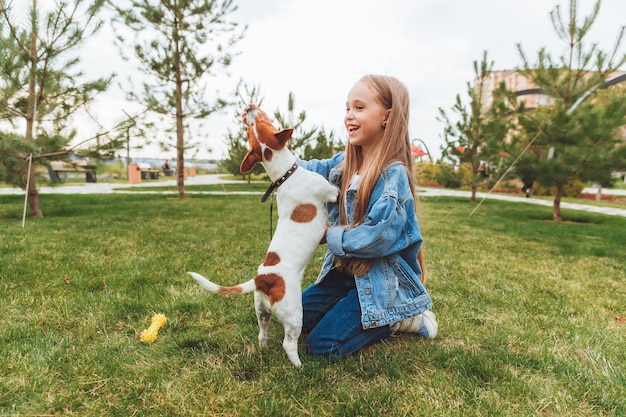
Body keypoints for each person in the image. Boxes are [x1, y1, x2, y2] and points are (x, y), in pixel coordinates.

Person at [298, 74, 438, 359]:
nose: (349, 115)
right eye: (347, 108)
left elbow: (377, 236)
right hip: (346, 275)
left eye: (359, 108)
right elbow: (305, 171)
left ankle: (399, 318)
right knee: (296, 319)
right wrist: (268, 142)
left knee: (322, 346)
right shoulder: (343, 163)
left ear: (387, 116)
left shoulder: (393, 175)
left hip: (380, 283)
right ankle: (353, 305)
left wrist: (327, 235)